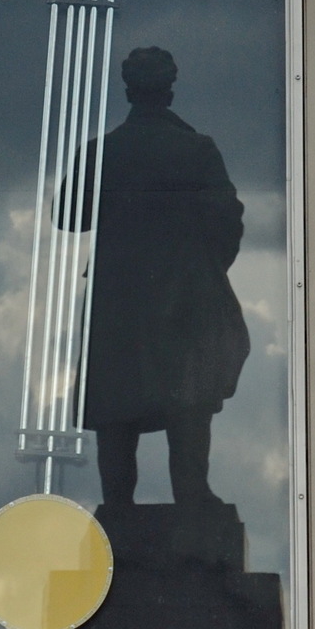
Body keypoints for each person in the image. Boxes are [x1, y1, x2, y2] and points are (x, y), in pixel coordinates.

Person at [75, 45, 250, 517]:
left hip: (119, 300)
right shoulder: (195, 149)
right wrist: (205, 269)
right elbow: (228, 220)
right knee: (187, 397)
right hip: (184, 293)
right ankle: (192, 492)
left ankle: (116, 504)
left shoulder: (104, 151)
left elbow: (67, 216)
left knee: (117, 404)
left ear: (128, 91)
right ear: (169, 90)